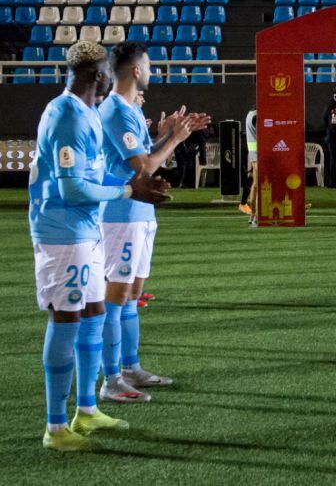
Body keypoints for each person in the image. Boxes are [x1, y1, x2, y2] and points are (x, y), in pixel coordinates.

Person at [30, 40, 170, 451]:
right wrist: (129, 192)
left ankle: (87, 409)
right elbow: (72, 188)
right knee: (65, 320)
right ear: (99, 77)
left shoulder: (87, 112)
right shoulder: (66, 117)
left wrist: (135, 187)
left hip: (87, 230)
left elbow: (94, 180)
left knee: (92, 312)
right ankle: (55, 428)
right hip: (62, 234)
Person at [97, 42, 210, 403]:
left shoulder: (127, 110)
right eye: (148, 65)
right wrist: (175, 138)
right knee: (115, 297)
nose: (152, 70)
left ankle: (129, 368)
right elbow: (143, 167)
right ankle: (110, 378)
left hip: (140, 213)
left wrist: (166, 135)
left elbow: (147, 159)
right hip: (120, 216)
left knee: (130, 296)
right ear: (135, 70)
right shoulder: (115, 110)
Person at [240, 106, 257, 223]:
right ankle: (254, 214)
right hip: (258, 153)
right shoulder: (257, 116)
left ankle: (252, 214)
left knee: (254, 182)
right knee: (257, 184)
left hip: (255, 153)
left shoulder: (251, 113)